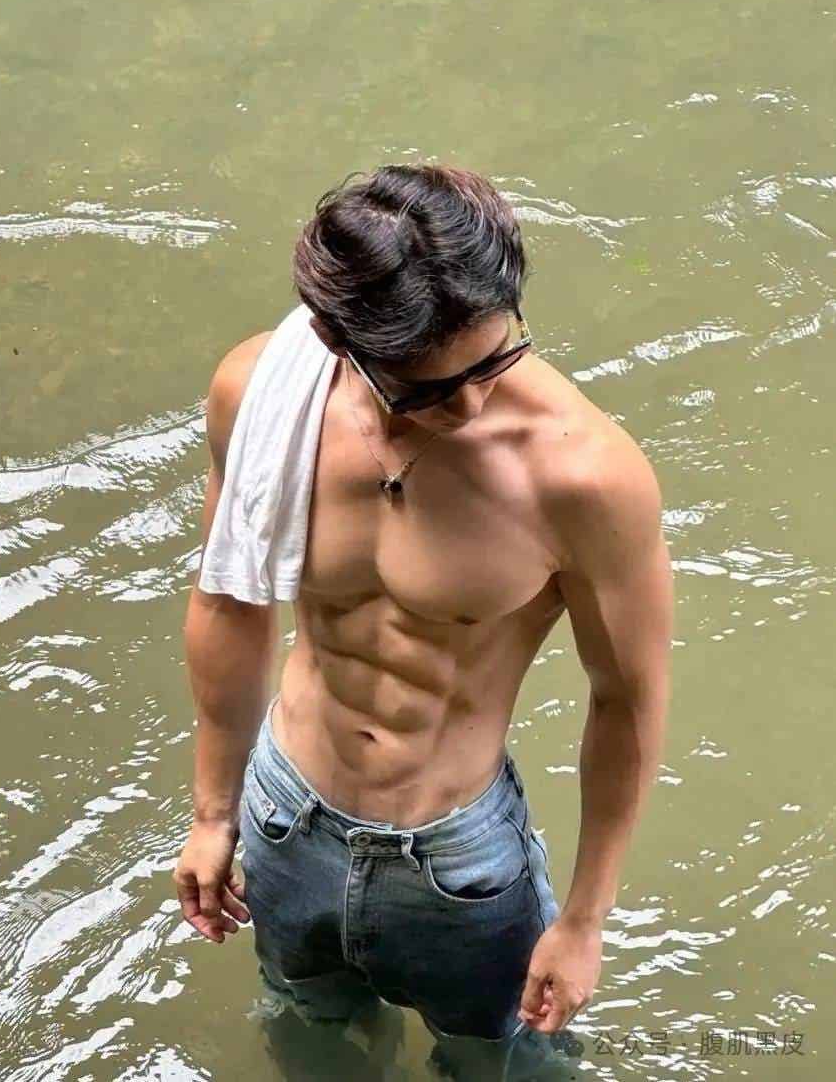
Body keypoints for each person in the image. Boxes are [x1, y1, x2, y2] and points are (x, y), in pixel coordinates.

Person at [174, 163, 674, 1079]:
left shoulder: (581, 476)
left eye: (494, 359)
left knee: (502, 1062)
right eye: (427, 390)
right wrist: (213, 811)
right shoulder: (262, 395)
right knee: (313, 1030)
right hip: (283, 814)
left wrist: (583, 921)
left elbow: (627, 699)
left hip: (456, 859)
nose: (472, 403)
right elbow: (227, 595)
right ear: (337, 340)